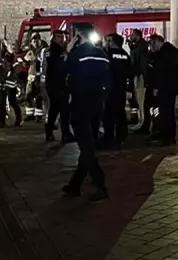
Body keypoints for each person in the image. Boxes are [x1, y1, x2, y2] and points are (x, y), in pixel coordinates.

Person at [62, 25, 110, 203]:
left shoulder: (77, 53)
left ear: (79, 36)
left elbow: (64, 72)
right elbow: (108, 79)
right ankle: (75, 185)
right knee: (88, 144)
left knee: (86, 147)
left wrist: (68, 51)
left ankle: (101, 185)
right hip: (97, 105)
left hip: (80, 104)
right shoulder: (103, 55)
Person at [147, 34, 178, 146]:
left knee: (165, 113)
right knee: (168, 112)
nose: (151, 46)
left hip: (165, 88)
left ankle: (166, 137)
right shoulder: (170, 52)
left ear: (157, 41)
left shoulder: (164, 55)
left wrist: (157, 87)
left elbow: (161, 73)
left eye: (152, 43)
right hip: (170, 87)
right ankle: (168, 136)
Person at [103, 33, 133, 148]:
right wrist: (129, 89)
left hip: (110, 88)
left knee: (108, 113)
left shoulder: (108, 54)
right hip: (121, 88)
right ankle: (122, 135)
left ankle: (109, 136)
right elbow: (130, 74)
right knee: (120, 112)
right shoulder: (125, 55)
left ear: (112, 41)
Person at [44, 30, 73, 143]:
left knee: (54, 109)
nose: (61, 39)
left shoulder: (56, 50)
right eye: (59, 37)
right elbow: (59, 67)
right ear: (54, 39)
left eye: (62, 37)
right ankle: (65, 134)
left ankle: (49, 132)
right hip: (57, 84)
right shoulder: (54, 51)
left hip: (55, 84)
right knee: (64, 110)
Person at [0, 52, 23, 127]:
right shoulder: (11, 65)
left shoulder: (15, 65)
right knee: (7, 102)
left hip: (11, 86)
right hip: (8, 86)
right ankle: (5, 120)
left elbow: (13, 75)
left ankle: (18, 119)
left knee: (12, 102)